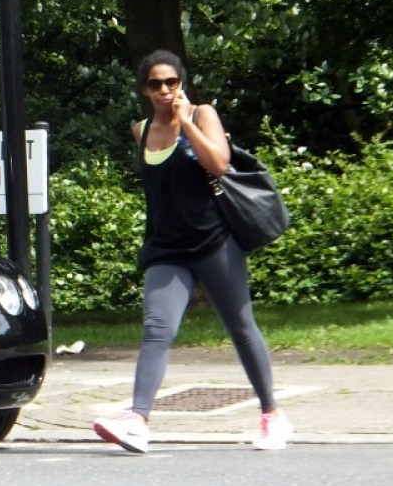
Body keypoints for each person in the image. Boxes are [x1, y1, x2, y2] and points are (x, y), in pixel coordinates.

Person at [93, 49, 293, 453]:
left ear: (181, 83)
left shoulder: (202, 116)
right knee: (156, 330)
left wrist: (186, 122)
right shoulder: (141, 130)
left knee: (240, 326)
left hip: (213, 241)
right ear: (145, 89)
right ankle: (137, 420)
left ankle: (273, 415)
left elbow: (219, 163)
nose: (164, 90)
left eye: (171, 82)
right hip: (166, 247)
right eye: (155, 84)